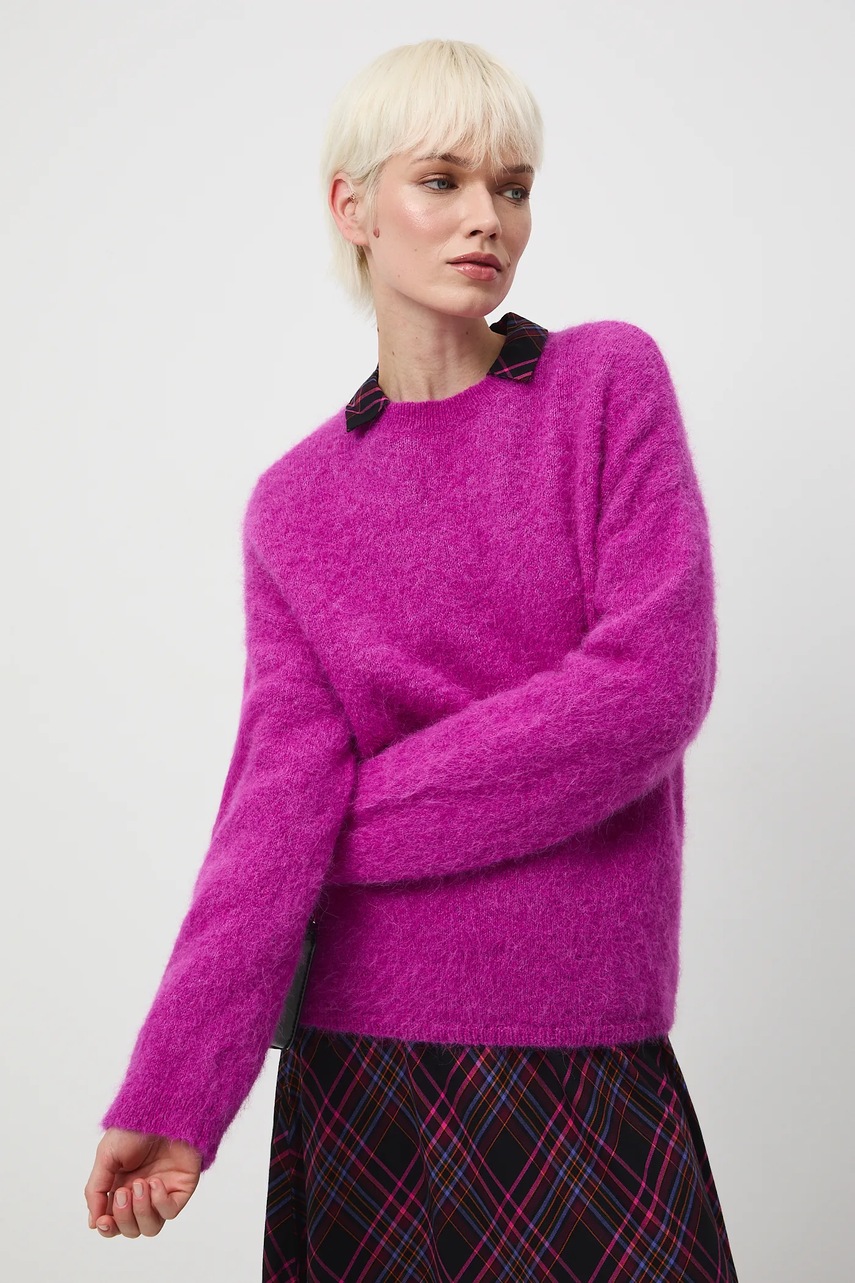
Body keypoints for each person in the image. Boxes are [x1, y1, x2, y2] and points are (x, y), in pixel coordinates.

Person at [85, 38, 739, 1281]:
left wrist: (342, 827)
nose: (487, 216)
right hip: (358, 1055)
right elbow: (268, 808)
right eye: (442, 179)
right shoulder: (296, 503)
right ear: (354, 207)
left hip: (573, 1040)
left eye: (513, 185)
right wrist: (174, 1090)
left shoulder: (604, 383)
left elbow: (649, 689)